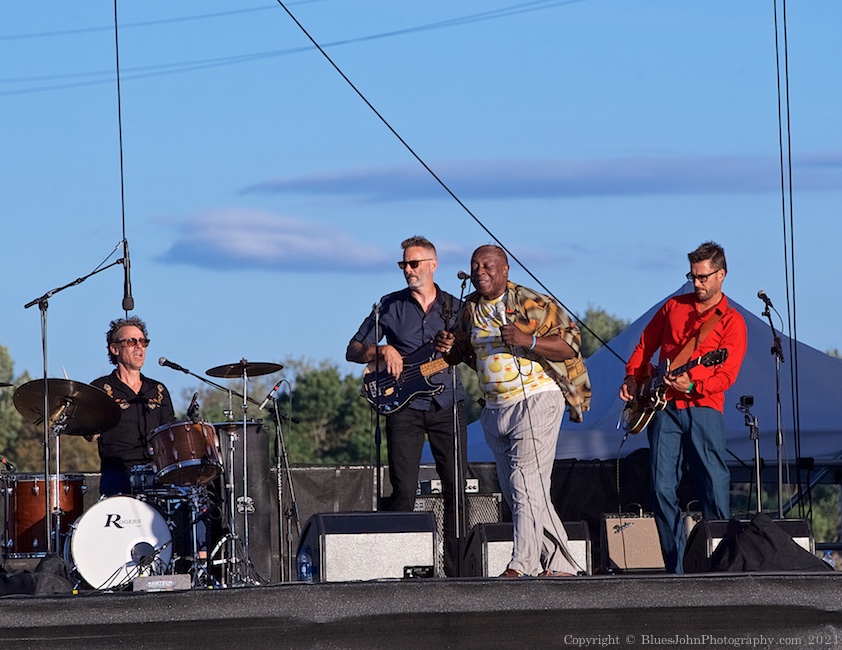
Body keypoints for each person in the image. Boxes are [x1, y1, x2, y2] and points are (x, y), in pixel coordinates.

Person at [435, 245, 591, 577]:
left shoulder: (531, 302)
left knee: (524, 484)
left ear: (505, 269)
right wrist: (451, 350)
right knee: (523, 490)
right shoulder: (470, 310)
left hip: (537, 399)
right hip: (495, 408)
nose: (480, 272)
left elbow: (571, 344)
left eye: (488, 266)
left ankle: (522, 564)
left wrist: (529, 341)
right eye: (475, 267)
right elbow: (467, 355)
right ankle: (563, 565)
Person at [619, 241, 747, 573]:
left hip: (704, 406)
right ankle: (674, 569)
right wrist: (634, 377)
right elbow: (645, 344)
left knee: (712, 482)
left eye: (703, 277)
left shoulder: (732, 322)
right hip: (663, 406)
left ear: (721, 275)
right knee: (660, 486)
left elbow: (727, 374)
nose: (697, 284)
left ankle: (720, 565)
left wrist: (693, 385)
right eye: (693, 276)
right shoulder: (673, 306)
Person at [346, 236, 467, 577]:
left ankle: (459, 571)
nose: (408, 270)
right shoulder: (389, 305)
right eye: (403, 264)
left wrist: (458, 349)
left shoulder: (456, 308)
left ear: (432, 264)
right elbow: (353, 350)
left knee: (457, 488)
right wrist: (380, 351)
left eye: (414, 264)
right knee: (403, 489)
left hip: (447, 402)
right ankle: (400, 564)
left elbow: (471, 355)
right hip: (403, 407)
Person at [90, 316, 176, 497]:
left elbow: (170, 434)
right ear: (114, 349)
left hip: (157, 470)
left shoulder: (158, 389)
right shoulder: (101, 388)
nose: (139, 346)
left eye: (143, 342)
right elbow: (89, 433)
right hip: (118, 472)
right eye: (131, 341)